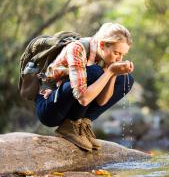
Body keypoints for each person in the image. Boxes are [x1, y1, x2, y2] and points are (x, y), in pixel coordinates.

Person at [35, 23, 134, 152]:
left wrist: (114, 73)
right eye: (116, 53)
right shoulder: (77, 48)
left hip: (70, 104)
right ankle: (71, 125)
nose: (119, 58)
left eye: (123, 55)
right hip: (49, 107)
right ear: (103, 45)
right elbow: (84, 99)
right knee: (95, 72)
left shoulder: (104, 58)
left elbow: (101, 102)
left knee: (126, 79)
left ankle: (82, 124)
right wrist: (108, 72)